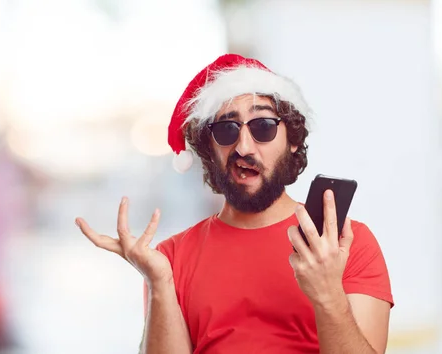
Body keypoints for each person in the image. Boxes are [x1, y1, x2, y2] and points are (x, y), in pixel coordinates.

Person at [76, 54, 393, 353]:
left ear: (293, 139)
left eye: (263, 127)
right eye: (227, 130)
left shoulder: (345, 245)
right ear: (209, 149)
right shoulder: (169, 260)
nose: (243, 146)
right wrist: (159, 282)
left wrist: (327, 292)